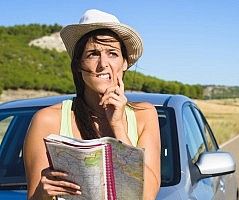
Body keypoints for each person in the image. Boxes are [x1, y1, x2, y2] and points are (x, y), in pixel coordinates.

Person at [23, 9, 161, 200]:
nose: (103, 63)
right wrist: (42, 192)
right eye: (93, 54)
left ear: (124, 63)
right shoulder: (47, 120)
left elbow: (147, 196)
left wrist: (117, 125)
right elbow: (34, 197)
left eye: (112, 53)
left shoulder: (145, 115)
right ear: (79, 65)